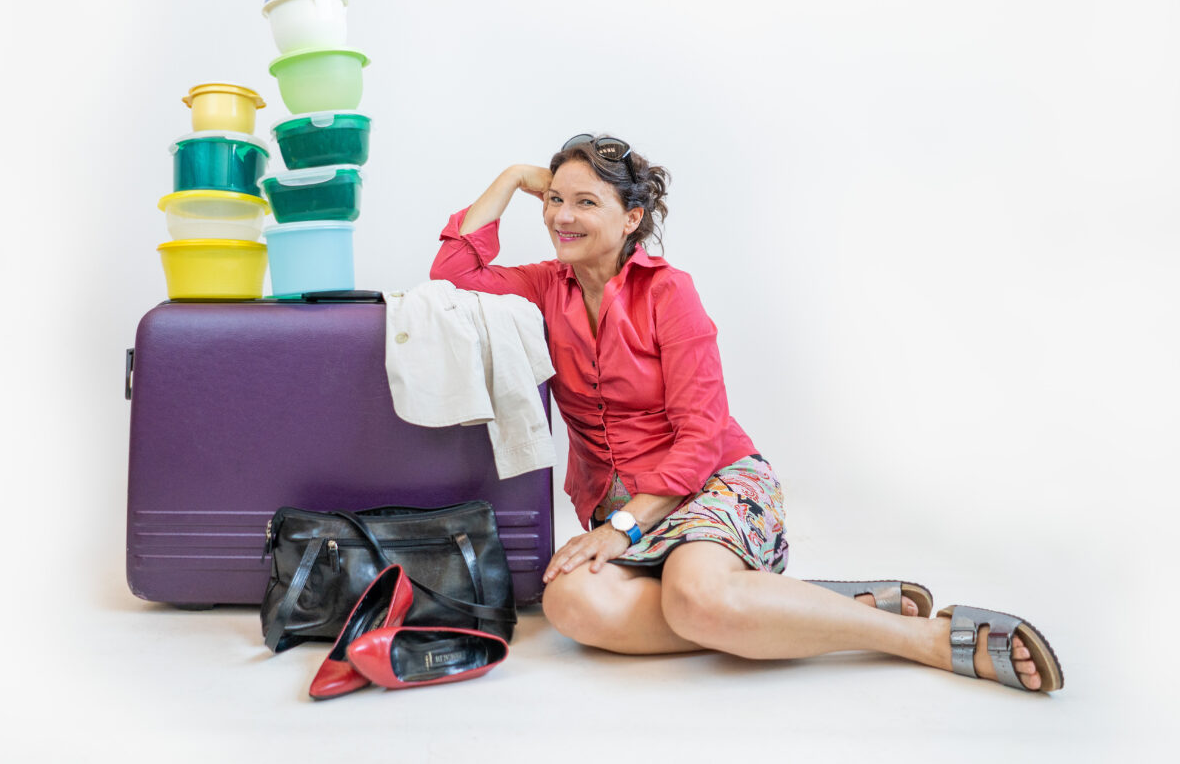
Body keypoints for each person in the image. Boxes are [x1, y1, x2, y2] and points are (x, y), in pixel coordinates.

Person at [429, 133, 1062, 692]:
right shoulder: (546, 285)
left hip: (711, 483)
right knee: (571, 606)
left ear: (632, 218)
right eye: (554, 199)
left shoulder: (668, 291)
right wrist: (512, 177)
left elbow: (701, 435)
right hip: (621, 507)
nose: (561, 217)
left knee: (695, 596)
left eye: (586, 202)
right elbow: (451, 274)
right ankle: (784, 608)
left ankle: (924, 639)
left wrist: (621, 528)